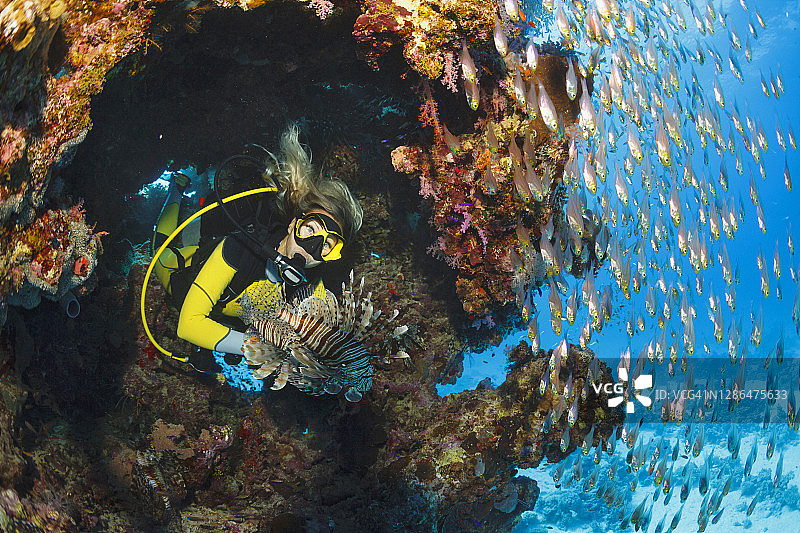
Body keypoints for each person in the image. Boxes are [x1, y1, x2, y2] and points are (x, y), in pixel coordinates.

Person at [150, 125, 363, 370]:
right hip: (189, 274)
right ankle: (175, 191)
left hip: (228, 317)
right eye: (310, 230)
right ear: (294, 223)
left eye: (327, 245)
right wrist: (260, 347)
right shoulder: (240, 248)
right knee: (160, 251)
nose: (310, 249)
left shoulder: (315, 290)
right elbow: (188, 324)